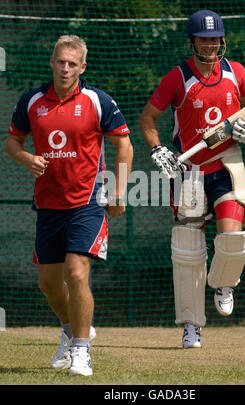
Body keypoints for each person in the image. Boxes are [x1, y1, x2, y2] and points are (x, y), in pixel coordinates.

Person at [6, 35, 133, 375]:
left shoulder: (97, 100)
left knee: (77, 273)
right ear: (52, 62)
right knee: (48, 284)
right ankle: (71, 327)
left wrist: (118, 192)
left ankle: (81, 350)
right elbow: (13, 142)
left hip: (87, 203)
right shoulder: (31, 101)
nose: (65, 68)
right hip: (48, 206)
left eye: (72, 64)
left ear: (82, 67)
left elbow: (124, 146)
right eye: (60, 62)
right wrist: (26, 158)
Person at [139, 10, 245, 348]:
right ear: (192, 41)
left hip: (225, 163)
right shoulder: (177, 78)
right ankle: (192, 325)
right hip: (188, 169)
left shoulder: (236, 73)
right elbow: (148, 118)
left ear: (221, 40)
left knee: (233, 235)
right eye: (202, 39)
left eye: (214, 38)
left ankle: (224, 282)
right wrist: (156, 149)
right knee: (188, 251)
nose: (209, 44)